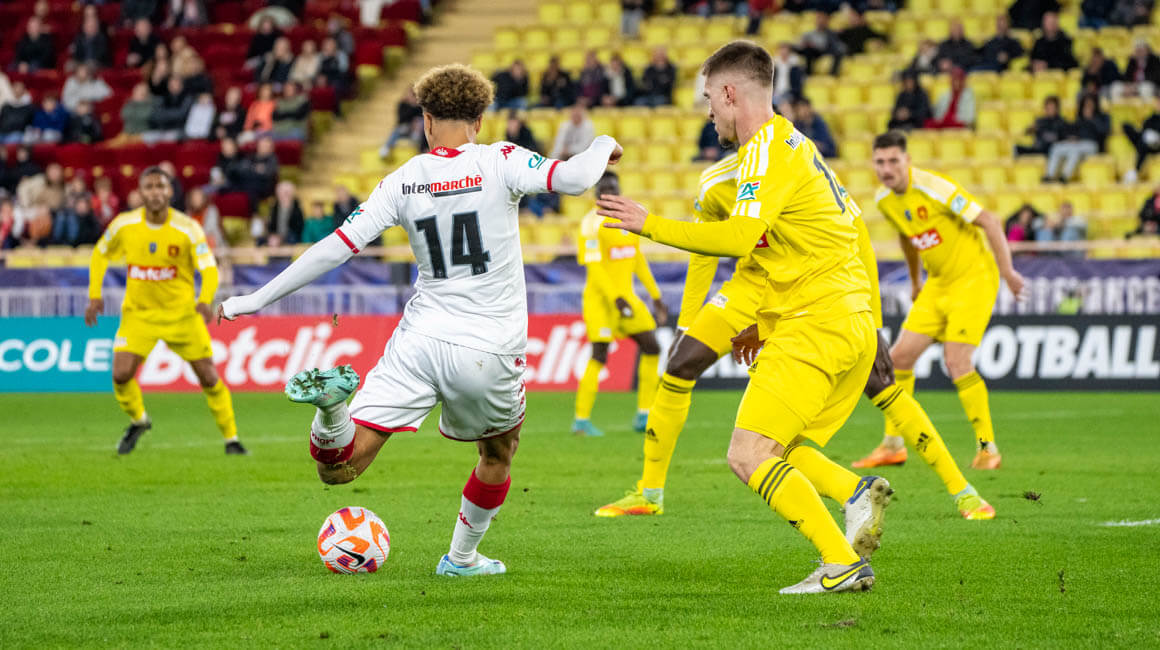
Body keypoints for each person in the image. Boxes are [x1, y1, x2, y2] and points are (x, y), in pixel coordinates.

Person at [219, 63, 621, 577]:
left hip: (420, 339)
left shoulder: (403, 179)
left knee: (339, 468)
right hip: (488, 347)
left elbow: (334, 248)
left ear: (426, 121)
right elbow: (576, 178)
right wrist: (602, 143)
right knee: (498, 454)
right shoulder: (501, 159)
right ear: (479, 121)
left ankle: (332, 412)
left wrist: (256, 299)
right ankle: (462, 558)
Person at [597, 41, 884, 594]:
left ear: (729, 93)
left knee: (748, 455)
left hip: (816, 324)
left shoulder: (764, 150)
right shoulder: (793, 144)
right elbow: (822, 243)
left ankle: (840, 563)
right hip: (841, 318)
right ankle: (855, 496)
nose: (707, 111)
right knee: (780, 448)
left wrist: (648, 224)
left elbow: (737, 238)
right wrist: (766, 324)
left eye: (709, 98)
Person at [596, 145, 996, 522]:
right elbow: (704, 251)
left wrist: (873, 324)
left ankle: (962, 490)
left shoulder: (799, 162)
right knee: (680, 364)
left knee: (880, 383)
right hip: (750, 287)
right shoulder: (715, 183)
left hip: (808, 287)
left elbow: (859, 237)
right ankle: (650, 493)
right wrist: (686, 323)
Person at [860, 130, 1025, 472]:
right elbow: (908, 238)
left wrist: (1008, 271)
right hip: (937, 284)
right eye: (880, 162)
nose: (887, 169)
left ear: (907, 160)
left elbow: (990, 221)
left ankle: (988, 448)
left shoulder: (933, 187)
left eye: (893, 161)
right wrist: (915, 280)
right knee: (898, 359)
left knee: (956, 360)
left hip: (973, 279)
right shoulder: (884, 200)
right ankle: (893, 445)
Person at [85, 167, 245, 455]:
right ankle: (139, 420)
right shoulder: (124, 224)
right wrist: (94, 295)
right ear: (140, 192)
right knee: (120, 374)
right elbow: (100, 253)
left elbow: (209, 268)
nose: (155, 192)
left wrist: (204, 299)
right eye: (149, 186)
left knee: (208, 377)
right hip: (139, 315)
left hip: (181, 315)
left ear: (170, 191)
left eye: (161, 186)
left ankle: (231, 440)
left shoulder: (187, 228)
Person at [572, 172, 666, 437]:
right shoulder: (591, 224)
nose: (608, 196)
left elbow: (636, 259)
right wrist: (616, 298)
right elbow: (595, 267)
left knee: (652, 347)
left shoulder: (628, 220)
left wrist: (656, 295)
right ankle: (581, 421)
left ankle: (644, 414)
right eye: (603, 191)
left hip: (627, 299)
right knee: (599, 354)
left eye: (613, 191)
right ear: (596, 195)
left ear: (619, 192)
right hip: (601, 301)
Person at [1045, 93, 1109, 182]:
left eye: (1090, 105)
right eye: (1086, 105)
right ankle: (1049, 175)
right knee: (1056, 147)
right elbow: (1072, 131)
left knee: (1075, 150)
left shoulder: (1103, 117)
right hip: (1078, 143)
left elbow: (1104, 131)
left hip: (1092, 144)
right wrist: (1071, 138)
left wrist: (1092, 119)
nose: (1088, 107)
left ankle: (1065, 176)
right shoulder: (1080, 118)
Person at [1122, 96, 1160, 181]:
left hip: (1156, 145)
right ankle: (1133, 172)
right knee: (1127, 126)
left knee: (1144, 143)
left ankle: (1135, 171)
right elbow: (1144, 130)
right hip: (1145, 142)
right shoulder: (1151, 118)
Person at [264, 180, 303, 245]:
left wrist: (282, 238)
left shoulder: (297, 208)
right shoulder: (274, 207)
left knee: (291, 239)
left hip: (290, 236)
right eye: (282, 193)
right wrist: (273, 235)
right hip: (276, 236)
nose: (284, 195)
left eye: (287, 193)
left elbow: (299, 227)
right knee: (261, 241)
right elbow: (271, 225)